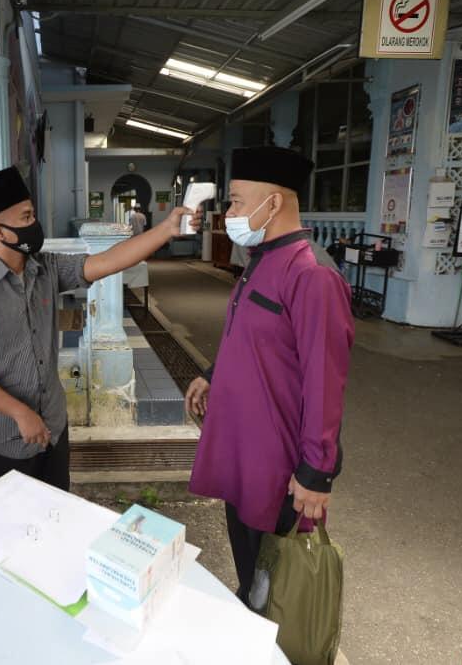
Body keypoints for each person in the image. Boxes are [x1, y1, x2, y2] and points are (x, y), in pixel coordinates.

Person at [0, 166, 200, 490]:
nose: (34, 225)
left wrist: (165, 231)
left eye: (32, 214)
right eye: (25, 217)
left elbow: (107, 261)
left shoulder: (47, 268)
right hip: (4, 435)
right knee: (15, 527)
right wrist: (20, 413)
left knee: (59, 513)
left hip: (52, 424)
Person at [184, 146, 354, 607]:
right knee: (250, 574)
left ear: (273, 203)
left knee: (279, 591)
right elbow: (250, 336)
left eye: (237, 201)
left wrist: (315, 474)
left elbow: (324, 381)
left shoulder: (311, 274)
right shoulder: (262, 259)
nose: (230, 213)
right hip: (242, 450)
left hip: (278, 467)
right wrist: (213, 375)